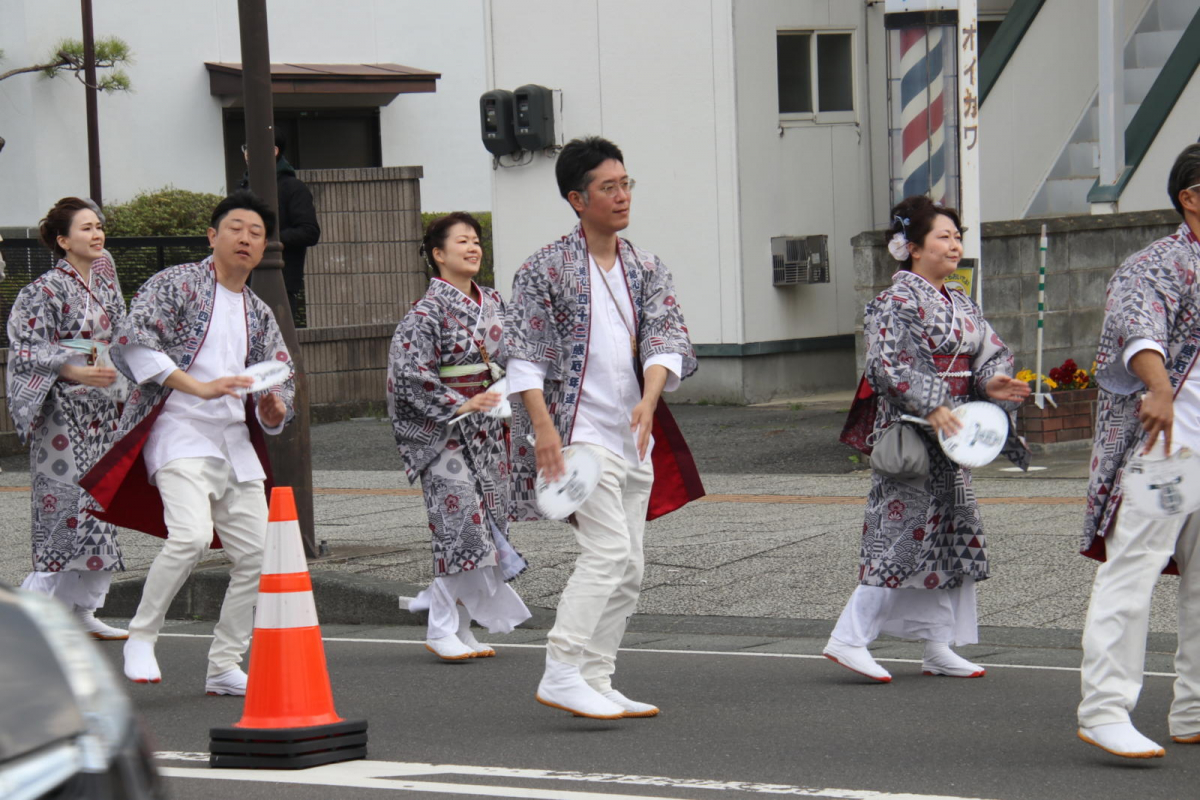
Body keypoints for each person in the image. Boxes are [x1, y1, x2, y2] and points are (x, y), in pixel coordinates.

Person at [506, 136, 702, 720]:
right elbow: (524, 355)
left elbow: (668, 336)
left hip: (631, 434)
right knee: (608, 552)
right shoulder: (544, 268)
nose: (621, 197)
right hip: (578, 435)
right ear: (577, 198)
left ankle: (596, 674)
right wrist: (544, 430)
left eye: (625, 184)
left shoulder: (645, 265)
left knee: (631, 564)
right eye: (607, 187)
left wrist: (649, 399)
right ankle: (562, 669)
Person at [79, 190, 294, 695]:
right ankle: (142, 634)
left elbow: (278, 373)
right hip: (178, 429)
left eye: (256, 233)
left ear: (263, 248)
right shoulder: (176, 283)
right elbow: (133, 341)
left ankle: (223, 665)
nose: (245, 238)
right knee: (192, 537)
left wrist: (274, 408)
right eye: (236, 227)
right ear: (212, 235)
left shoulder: (259, 312)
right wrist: (197, 386)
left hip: (233, 441)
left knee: (259, 557)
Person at [830, 195, 1030, 683]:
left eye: (957, 236)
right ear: (912, 248)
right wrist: (931, 400)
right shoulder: (894, 301)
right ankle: (848, 638)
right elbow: (889, 365)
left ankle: (937, 644)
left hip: (953, 433)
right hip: (916, 437)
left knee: (948, 539)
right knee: (899, 537)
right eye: (944, 235)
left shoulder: (960, 301)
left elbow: (987, 353)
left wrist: (992, 383)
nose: (955, 243)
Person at [1076, 143, 1200, 759]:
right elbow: (1138, 326)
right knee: (1135, 567)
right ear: (1192, 198)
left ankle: (1194, 707)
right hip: (1168, 448)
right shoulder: (1156, 264)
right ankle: (1103, 709)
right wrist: (1157, 385)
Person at [388, 212, 531, 660]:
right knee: (461, 531)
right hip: (446, 436)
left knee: (486, 531)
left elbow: (514, 355)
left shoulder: (492, 300)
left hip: (490, 430)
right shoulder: (426, 313)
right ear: (438, 254)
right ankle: (439, 627)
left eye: (476, 242)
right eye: (462, 242)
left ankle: (460, 627)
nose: (473, 249)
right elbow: (408, 375)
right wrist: (459, 403)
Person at [7, 197, 129, 639]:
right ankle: (31, 616)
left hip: (103, 408)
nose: (97, 235)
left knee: (101, 508)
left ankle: (83, 610)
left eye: (99, 227)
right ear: (63, 241)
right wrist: (70, 366)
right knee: (64, 510)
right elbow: (26, 347)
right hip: (62, 413)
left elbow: (120, 331)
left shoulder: (105, 277)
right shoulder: (43, 290)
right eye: (85, 229)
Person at [240, 132, 320, 326]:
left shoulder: (292, 187)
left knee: (280, 340)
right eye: (245, 149)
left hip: (282, 280)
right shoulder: (244, 187)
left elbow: (309, 231)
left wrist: (269, 240)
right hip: (243, 278)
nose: (247, 154)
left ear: (275, 151)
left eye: (251, 148)